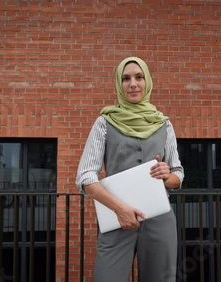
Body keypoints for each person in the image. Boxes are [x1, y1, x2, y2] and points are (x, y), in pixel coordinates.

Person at [76, 56, 184, 282]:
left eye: (139, 77)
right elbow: (85, 177)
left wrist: (166, 176)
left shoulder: (164, 124)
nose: (132, 84)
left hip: (159, 221)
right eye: (126, 78)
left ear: (148, 82)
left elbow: (178, 175)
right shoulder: (104, 122)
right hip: (116, 219)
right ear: (119, 83)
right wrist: (119, 209)